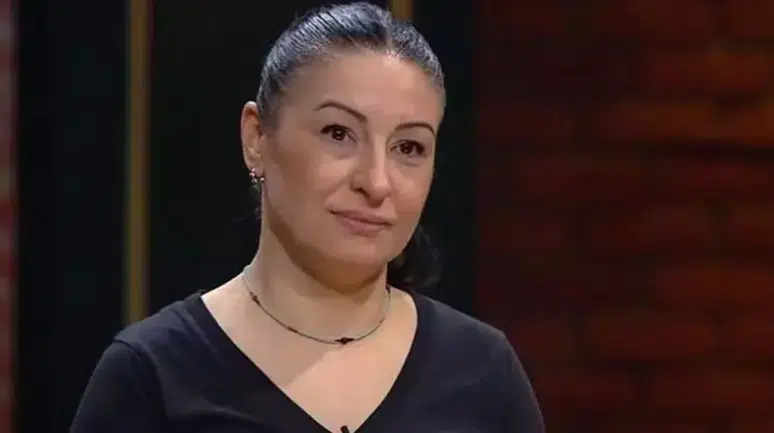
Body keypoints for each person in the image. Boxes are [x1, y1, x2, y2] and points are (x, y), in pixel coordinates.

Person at [70, 2, 545, 432]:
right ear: (257, 138)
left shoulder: (484, 373)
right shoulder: (151, 376)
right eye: (338, 133)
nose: (377, 182)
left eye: (408, 147)